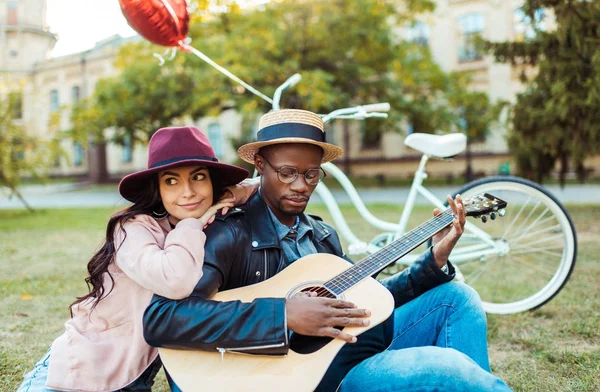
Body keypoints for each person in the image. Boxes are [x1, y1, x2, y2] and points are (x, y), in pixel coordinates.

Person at [143, 110, 512, 391]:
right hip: (302, 379)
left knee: (456, 297)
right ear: (259, 165)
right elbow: (161, 319)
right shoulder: (230, 233)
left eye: (312, 174)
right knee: (448, 368)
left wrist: (434, 261)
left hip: (347, 353)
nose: (301, 186)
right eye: (287, 173)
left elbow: (370, 301)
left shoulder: (320, 235)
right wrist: (283, 315)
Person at [16, 126, 259, 392]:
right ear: (158, 189)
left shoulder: (214, 227)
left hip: (134, 381)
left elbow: (273, 183)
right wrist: (193, 223)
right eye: (171, 181)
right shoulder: (133, 229)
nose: (187, 192)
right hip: (77, 375)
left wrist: (238, 192)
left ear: (213, 182)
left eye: (198, 177)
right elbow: (175, 280)